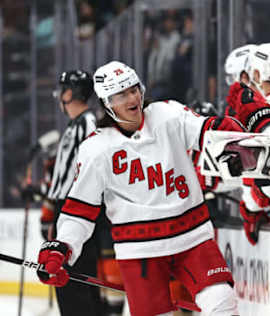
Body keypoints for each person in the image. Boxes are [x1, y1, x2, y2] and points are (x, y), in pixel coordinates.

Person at [37, 61, 244, 316]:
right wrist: (62, 248)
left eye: (134, 89)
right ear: (107, 103)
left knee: (222, 302)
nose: (132, 97)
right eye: (121, 94)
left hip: (192, 238)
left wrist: (234, 135)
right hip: (140, 251)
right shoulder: (96, 149)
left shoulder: (168, 114)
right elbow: (80, 210)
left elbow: (208, 130)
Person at [45, 70, 102, 316]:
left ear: (70, 92)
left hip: (78, 210)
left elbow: (88, 172)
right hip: (65, 209)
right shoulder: (74, 125)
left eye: (63, 89)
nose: (59, 95)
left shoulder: (87, 124)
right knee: (66, 282)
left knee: (73, 281)